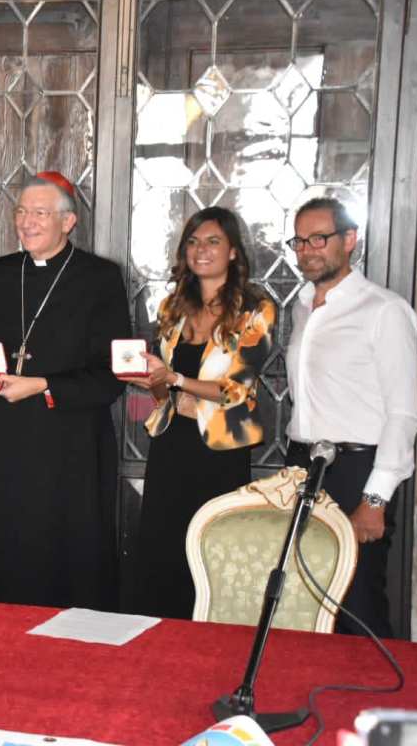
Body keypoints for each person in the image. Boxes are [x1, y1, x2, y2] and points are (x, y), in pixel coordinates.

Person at [0, 171, 131, 609]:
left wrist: (41, 385)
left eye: (39, 213)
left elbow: (112, 376)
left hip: (66, 446)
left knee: (59, 565)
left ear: (68, 222)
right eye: (21, 212)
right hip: (1, 441)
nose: (26, 222)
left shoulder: (99, 278)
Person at [121, 206, 275, 619]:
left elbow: (237, 389)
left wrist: (175, 380)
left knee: (210, 547)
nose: (200, 250)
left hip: (220, 450)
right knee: (161, 546)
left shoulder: (256, 309)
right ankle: (157, 636)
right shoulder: (173, 305)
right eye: (192, 242)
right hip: (172, 442)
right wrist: (148, 377)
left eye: (212, 242)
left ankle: (208, 638)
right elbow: (165, 389)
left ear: (233, 253)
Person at [284, 197, 417, 638]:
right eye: (300, 240)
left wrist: (375, 499)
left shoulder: (384, 310)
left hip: (357, 469)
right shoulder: (301, 306)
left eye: (319, 238)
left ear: (350, 240)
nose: (308, 250)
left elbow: (403, 413)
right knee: (304, 595)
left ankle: (374, 702)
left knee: (356, 601)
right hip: (303, 465)